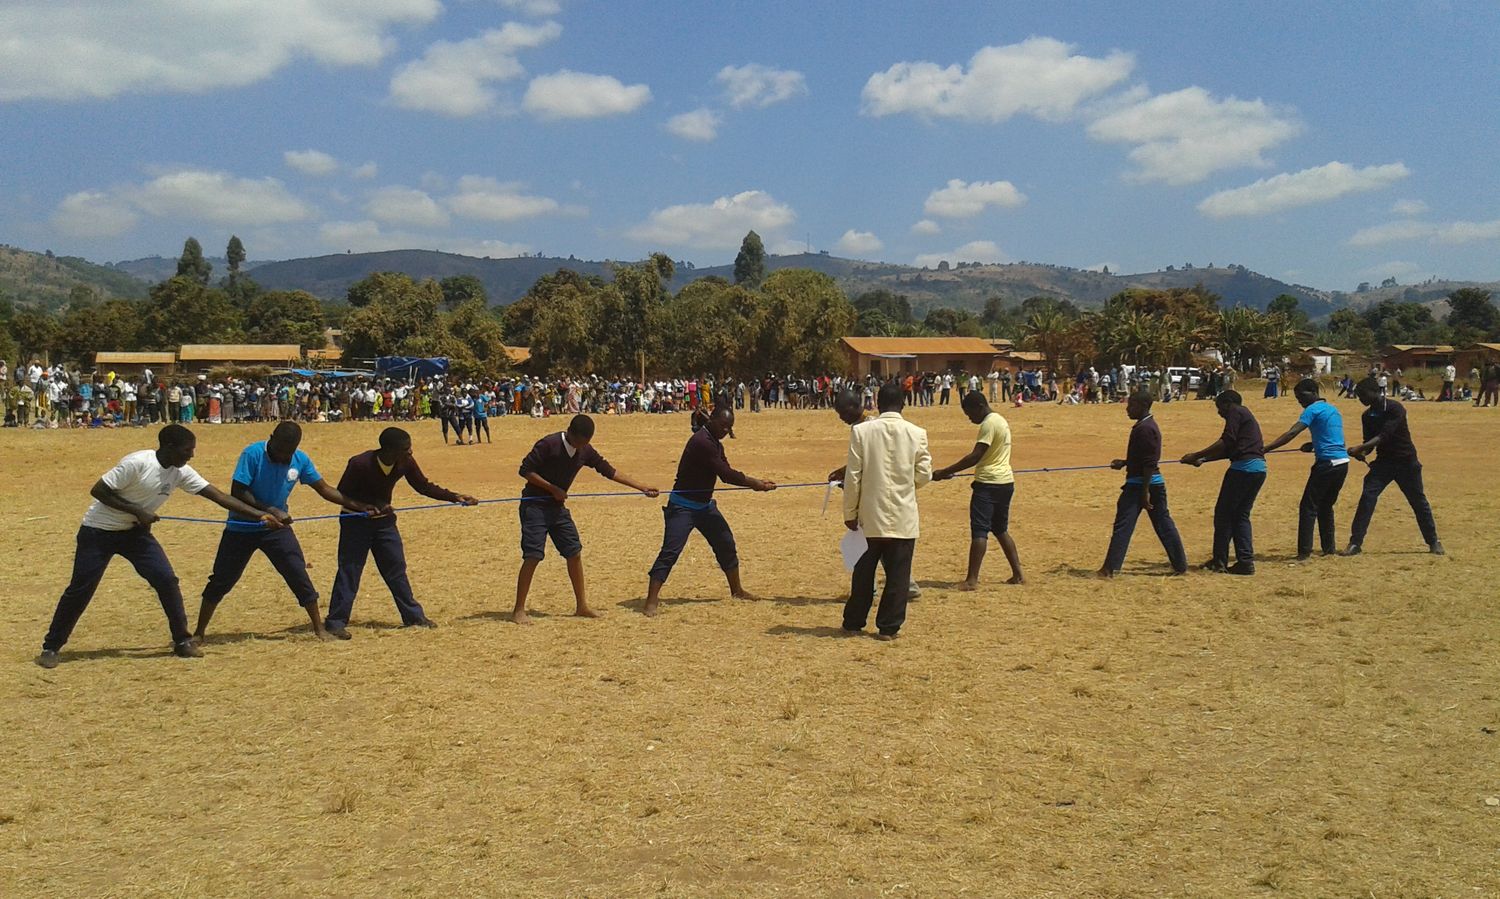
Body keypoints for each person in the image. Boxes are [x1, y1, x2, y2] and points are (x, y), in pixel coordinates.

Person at [36, 425, 284, 669]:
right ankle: (51, 647)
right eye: (187, 450)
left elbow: (218, 496)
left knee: (166, 580)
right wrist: (137, 511)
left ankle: (182, 641)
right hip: (98, 532)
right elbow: (99, 490)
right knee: (81, 588)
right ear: (169, 447)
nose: (191, 455)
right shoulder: (137, 463)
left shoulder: (180, 471)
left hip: (135, 534)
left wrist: (260, 515)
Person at [192, 423, 381, 643]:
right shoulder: (252, 454)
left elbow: (324, 489)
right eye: (279, 450)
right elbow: (238, 491)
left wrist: (359, 506)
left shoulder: (299, 459)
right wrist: (269, 510)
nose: (283, 456)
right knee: (222, 579)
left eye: (288, 452)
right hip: (242, 528)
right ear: (271, 438)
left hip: (277, 530)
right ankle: (198, 633)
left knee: (297, 573)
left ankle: (319, 629)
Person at [323, 427, 478, 638]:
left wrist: (455, 496)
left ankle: (413, 617)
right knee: (350, 570)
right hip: (355, 522)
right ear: (389, 450)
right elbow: (341, 494)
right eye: (405, 449)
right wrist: (365, 507)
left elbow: (423, 486)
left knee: (396, 569)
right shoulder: (360, 464)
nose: (410, 453)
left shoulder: (404, 462)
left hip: (384, 523)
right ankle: (335, 622)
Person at [513, 414, 659, 624]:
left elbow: (609, 471)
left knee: (574, 552)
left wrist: (642, 487)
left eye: (586, 443)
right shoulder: (549, 444)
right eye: (580, 442)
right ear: (570, 433)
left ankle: (581, 605)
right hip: (534, 506)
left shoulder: (585, 450)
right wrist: (552, 488)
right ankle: (518, 610)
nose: (582, 447)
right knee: (533, 555)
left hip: (557, 508)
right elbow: (525, 470)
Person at [643, 408, 775, 617]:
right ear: (712, 420)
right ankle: (651, 601)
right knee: (670, 551)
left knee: (726, 543)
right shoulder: (701, 442)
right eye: (723, 425)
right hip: (682, 506)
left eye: (729, 427)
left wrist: (755, 482)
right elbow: (725, 475)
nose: (725, 430)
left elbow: (726, 469)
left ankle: (737, 590)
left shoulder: (715, 442)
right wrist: (755, 483)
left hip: (704, 506)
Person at [842, 380, 931, 639]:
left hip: (869, 517)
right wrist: (906, 486)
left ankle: (854, 622)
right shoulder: (917, 433)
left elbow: (853, 477)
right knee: (898, 576)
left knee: (863, 574)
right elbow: (924, 475)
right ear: (903, 404)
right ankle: (889, 627)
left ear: (877, 405)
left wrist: (849, 513)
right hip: (903, 517)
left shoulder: (862, 432)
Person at [829, 390, 921, 600]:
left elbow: (874, 462)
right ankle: (906, 585)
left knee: (873, 545)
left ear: (854, 407)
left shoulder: (867, 426)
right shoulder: (860, 426)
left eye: (842, 412)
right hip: (879, 495)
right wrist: (844, 471)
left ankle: (874, 589)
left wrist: (853, 488)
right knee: (883, 543)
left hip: (878, 497)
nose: (841, 417)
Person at [1341, 378, 1443, 556]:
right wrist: (1362, 453)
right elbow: (1370, 442)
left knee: (1418, 502)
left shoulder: (1395, 408)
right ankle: (1355, 543)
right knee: (1367, 498)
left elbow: (1384, 435)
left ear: (1375, 392)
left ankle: (1433, 541)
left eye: (1363, 395)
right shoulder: (1367, 415)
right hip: (1384, 463)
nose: (1360, 399)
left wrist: (1361, 448)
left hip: (1406, 462)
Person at [933, 390, 1025, 587]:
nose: (970, 418)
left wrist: (944, 471)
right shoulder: (1001, 420)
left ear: (980, 407)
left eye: (970, 414)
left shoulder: (988, 424)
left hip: (988, 484)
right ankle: (1018, 574)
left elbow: (975, 456)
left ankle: (972, 580)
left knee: (980, 530)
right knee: (1000, 529)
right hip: (1005, 482)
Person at [1098, 392, 1188, 578]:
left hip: (1142, 485)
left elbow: (1149, 463)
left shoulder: (1145, 429)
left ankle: (1110, 569)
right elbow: (1143, 459)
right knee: (1163, 523)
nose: (1127, 408)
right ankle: (1180, 565)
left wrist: (1145, 491)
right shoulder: (1145, 426)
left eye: (1131, 405)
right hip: (1146, 483)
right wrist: (1125, 462)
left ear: (1142, 405)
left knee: (1124, 525)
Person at [1181, 390, 1266, 575]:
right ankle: (1245, 561)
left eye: (1219, 407)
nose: (1219, 412)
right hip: (1258, 469)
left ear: (1228, 403)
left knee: (1223, 515)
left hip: (1243, 470)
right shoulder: (1246, 415)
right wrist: (1203, 460)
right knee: (1240, 515)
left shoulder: (1236, 411)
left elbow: (1227, 441)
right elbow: (1230, 449)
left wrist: (1196, 454)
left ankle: (1220, 561)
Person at [1263, 379, 1349, 560]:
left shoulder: (1312, 410)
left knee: (1308, 507)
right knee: (1325, 506)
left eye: (1301, 396)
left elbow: (1292, 433)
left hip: (1326, 463)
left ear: (1313, 392)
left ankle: (1304, 552)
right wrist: (1313, 444)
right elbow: (1331, 435)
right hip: (1342, 463)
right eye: (1297, 398)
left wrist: (1266, 448)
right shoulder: (1333, 409)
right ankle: (1329, 549)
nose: (1299, 401)